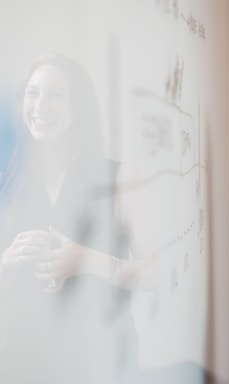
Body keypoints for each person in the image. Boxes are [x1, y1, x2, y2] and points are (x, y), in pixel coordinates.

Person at [0, 53, 153, 384]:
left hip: (102, 357)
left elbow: (155, 272)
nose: (40, 106)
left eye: (56, 95)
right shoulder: (7, 181)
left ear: (79, 106)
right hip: (23, 357)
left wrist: (87, 260)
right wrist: (6, 260)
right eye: (33, 93)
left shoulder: (119, 178)